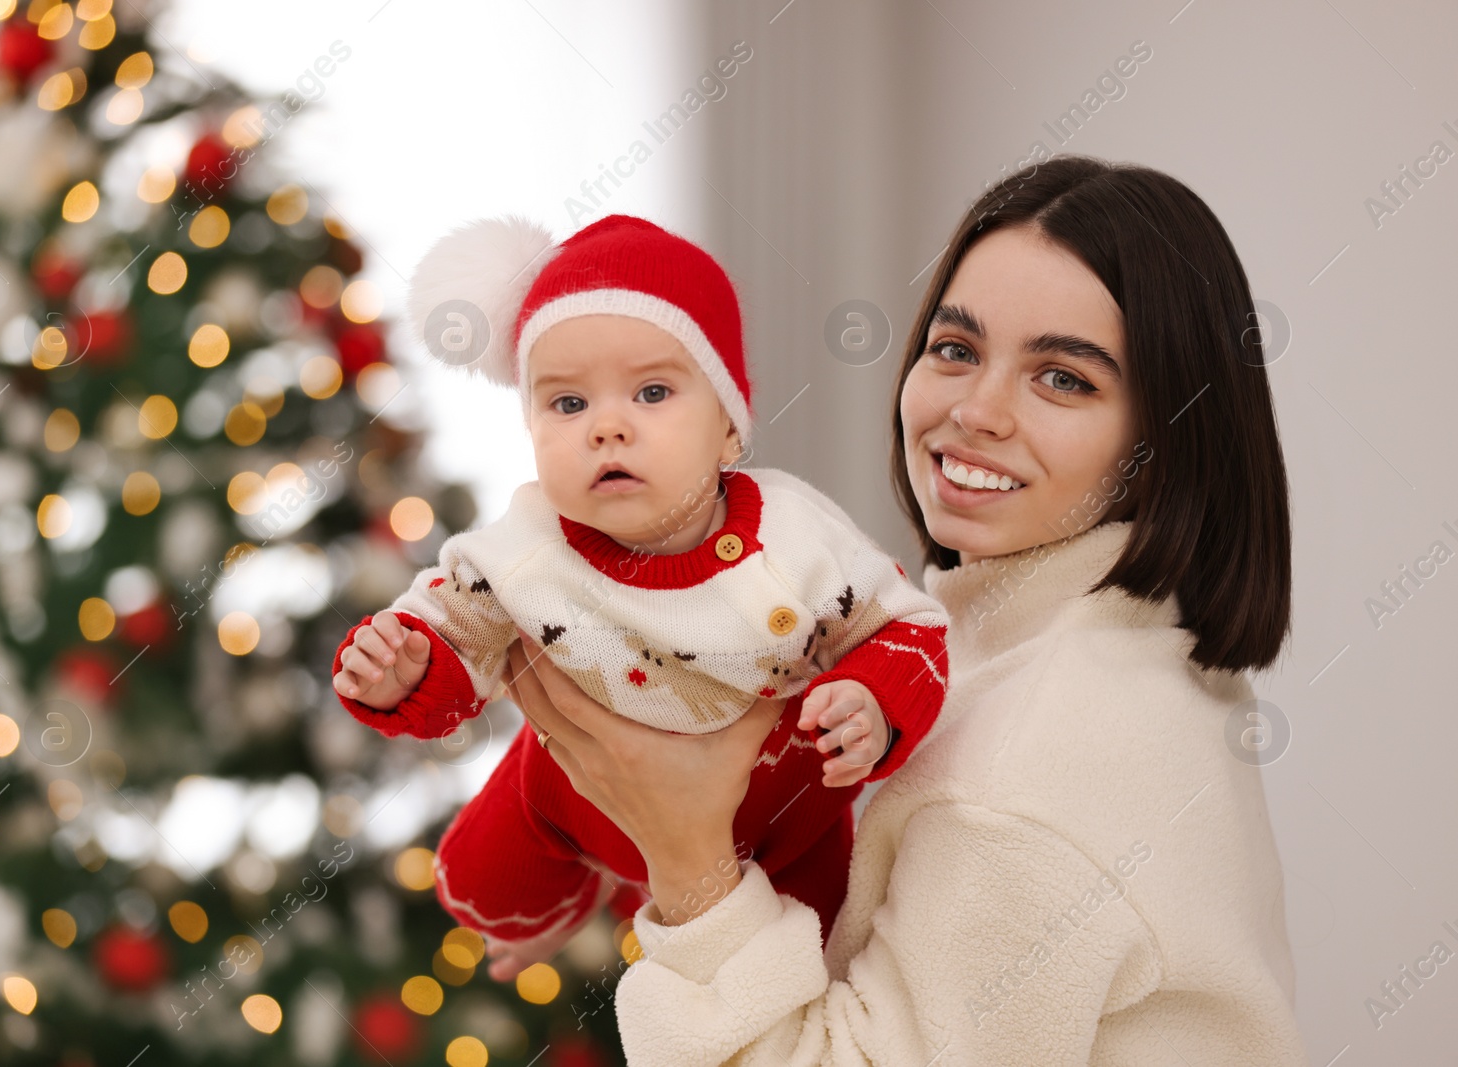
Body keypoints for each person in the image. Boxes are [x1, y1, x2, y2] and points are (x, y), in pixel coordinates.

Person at [497, 156, 1310, 1064]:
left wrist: (688, 865)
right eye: (956, 350)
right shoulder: (1078, 641)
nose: (976, 411)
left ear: (1163, 441)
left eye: (1064, 379)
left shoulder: (1026, 767)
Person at [330, 214, 951, 981]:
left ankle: (666, 897)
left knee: (814, 963)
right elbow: (452, 629)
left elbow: (909, 629)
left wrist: (870, 697)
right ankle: (589, 884)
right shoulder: (524, 545)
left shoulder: (793, 537)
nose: (607, 428)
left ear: (729, 427)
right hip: (576, 785)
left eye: (652, 391)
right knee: (474, 888)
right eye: (567, 404)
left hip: (774, 811)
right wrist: (408, 669)